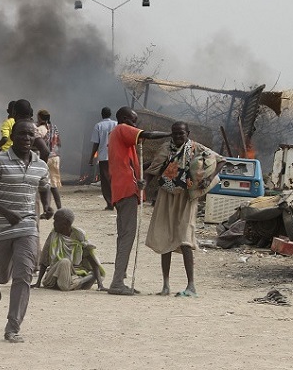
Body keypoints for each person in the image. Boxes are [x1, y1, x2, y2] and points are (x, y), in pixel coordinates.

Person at [0, 119, 54, 343]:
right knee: (4, 276)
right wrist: (5, 211)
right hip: (1, 229)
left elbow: (45, 186)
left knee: (24, 274)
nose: (27, 139)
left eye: (31, 135)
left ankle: (13, 327)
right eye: (22, 134)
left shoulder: (41, 164)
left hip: (28, 226)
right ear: (12, 135)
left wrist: (48, 205)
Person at [145, 122, 224, 297]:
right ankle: (165, 285)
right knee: (165, 235)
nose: (178, 137)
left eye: (181, 134)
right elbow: (153, 169)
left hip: (187, 197)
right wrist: (143, 186)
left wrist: (208, 178)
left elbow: (220, 160)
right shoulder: (166, 148)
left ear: (187, 133)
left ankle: (191, 286)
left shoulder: (197, 148)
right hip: (166, 194)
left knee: (185, 237)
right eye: (175, 134)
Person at [106, 106, 174, 296]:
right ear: (124, 119)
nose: (135, 125)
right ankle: (117, 282)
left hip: (125, 189)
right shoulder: (121, 129)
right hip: (126, 190)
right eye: (133, 120)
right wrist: (170, 133)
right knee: (127, 236)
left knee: (124, 236)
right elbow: (149, 134)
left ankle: (120, 278)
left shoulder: (121, 140)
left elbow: (131, 165)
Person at [33, 208, 104, 291]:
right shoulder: (53, 235)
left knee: (91, 274)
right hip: (54, 275)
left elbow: (92, 260)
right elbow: (44, 261)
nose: (53, 223)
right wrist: (38, 283)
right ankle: (76, 283)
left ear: (65, 224)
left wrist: (100, 284)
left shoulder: (79, 236)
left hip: (74, 274)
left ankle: (72, 282)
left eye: (56, 221)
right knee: (65, 262)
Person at [89, 107, 117, 210]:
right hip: (116, 156)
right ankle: (116, 201)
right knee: (115, 179)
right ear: (110, 114)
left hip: (104, 156)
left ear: (102, 114)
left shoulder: (98, 126)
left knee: (105, 181)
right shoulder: (117, 124)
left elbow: (96, 143)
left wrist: (91, 157)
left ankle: (110, 203)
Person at [36, 109, 62, 209]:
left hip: (45, 157)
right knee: (53, 184)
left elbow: (37, 142)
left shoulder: (40, 129)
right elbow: (59, 143)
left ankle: (46, 208)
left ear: (40, 118)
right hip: (56, 157)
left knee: (44, 184)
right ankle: (59, 207)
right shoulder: (54, 127)